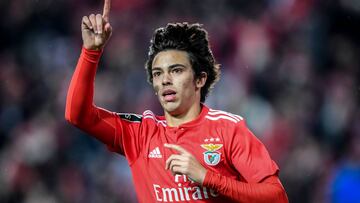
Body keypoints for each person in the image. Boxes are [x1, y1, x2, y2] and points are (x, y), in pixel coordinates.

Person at [65, 0, 288, 202]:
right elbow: (78, 116)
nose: (165, 80)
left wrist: (208, 177)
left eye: (176, 70)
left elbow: (276, 197)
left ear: (200, 79)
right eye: (157, 73)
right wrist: (90, 52)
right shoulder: (141, 135)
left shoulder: (228, 129)